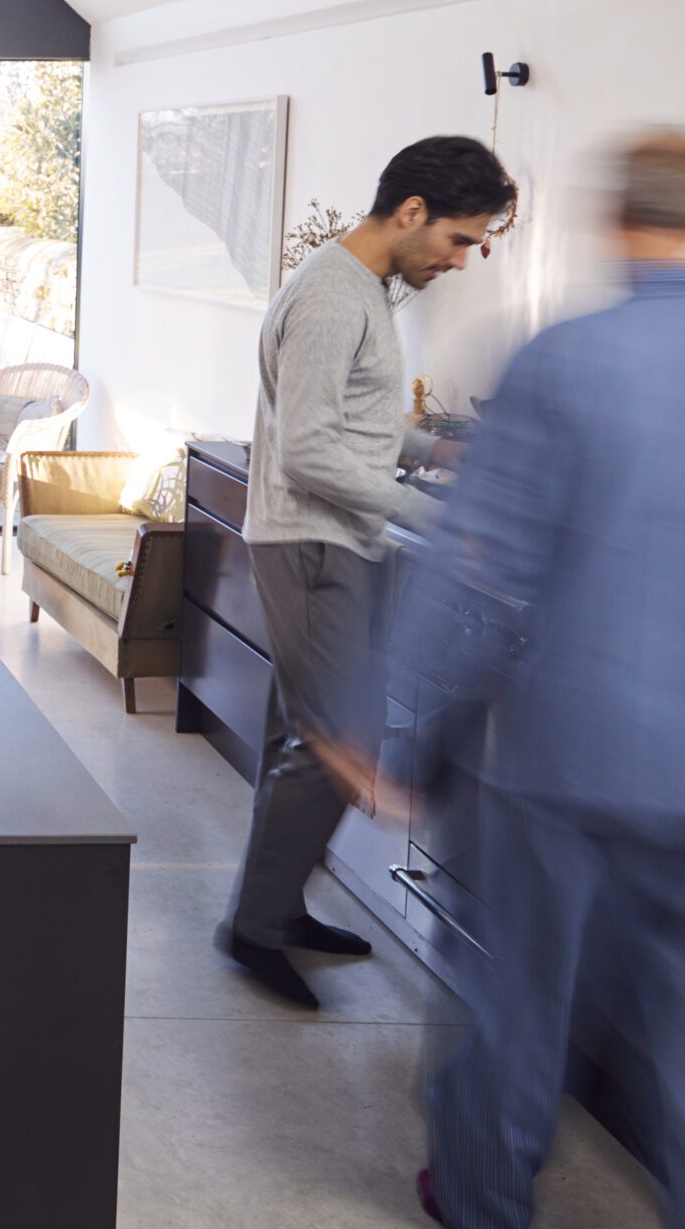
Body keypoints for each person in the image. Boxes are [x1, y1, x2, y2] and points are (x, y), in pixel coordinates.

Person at [376, 133, 685, 1228]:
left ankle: (476, 1197)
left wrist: (410, 735)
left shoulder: (563, 359)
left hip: (560, 772)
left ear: (617, 222)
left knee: (521, 1022)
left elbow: (484, 570)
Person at [219, 134, 516, 1010]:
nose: (459, 261)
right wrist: (438, 517)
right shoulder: (333, 294)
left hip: (331, 539)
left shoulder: (359, 287)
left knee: (306, 738)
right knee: (334, 743)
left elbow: (353, 420)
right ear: (412, 211)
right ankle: (253, 928)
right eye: (459, 239)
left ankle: (277, 907)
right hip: (313, 541)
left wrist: (438, 451)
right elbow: (309, 452)